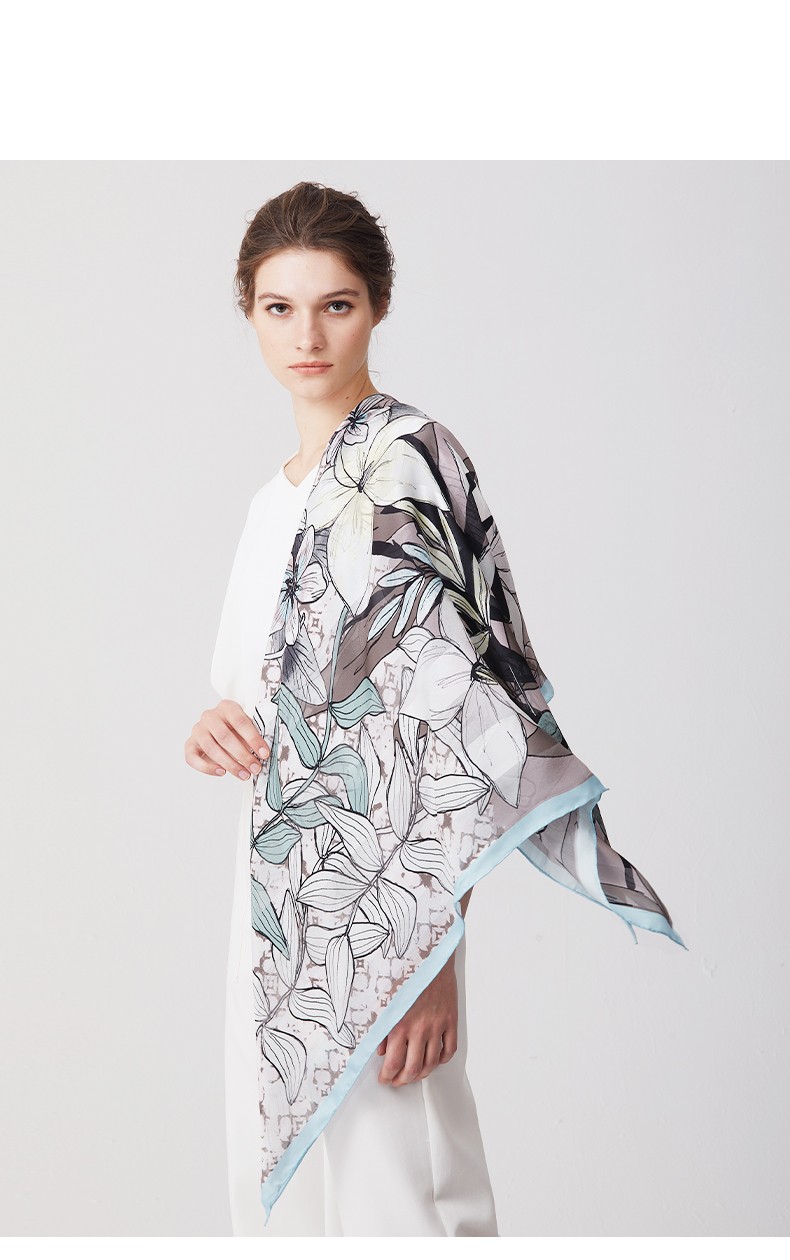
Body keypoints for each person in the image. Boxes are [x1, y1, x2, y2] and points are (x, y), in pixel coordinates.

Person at [184, 181, 501, 1237]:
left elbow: (458, 726)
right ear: (248, 313)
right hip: (276, 896)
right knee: (278, 1194)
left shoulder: (408, 466)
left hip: (386, 902)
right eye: (279, 308)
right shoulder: (268, 501)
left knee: (398, 1199)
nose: (307, 337)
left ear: (377, 306)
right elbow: (257, 693)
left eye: (336, 305)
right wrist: (215, 724)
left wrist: (432, 957)